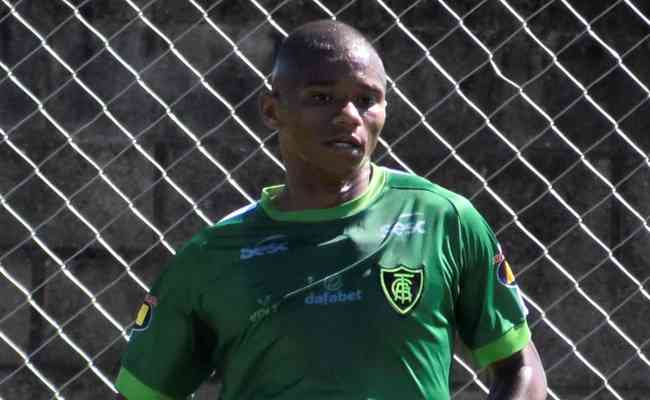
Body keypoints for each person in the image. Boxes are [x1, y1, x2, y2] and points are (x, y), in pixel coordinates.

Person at [115, 19, 547, 400]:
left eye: (366, 99)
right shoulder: (211, 257)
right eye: (322, 98)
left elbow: (521, 369)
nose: (348, 116)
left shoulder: (444, 221)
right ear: (272, 110)